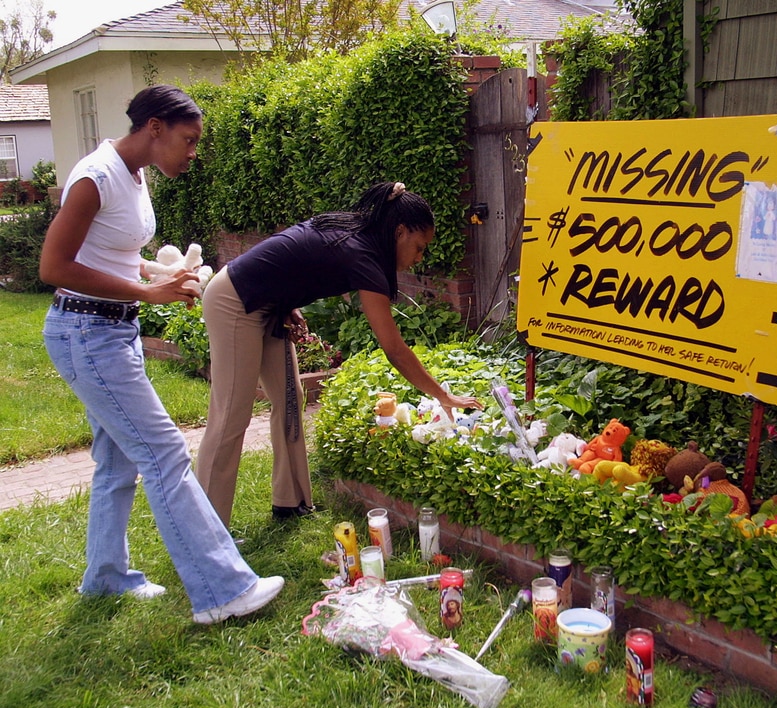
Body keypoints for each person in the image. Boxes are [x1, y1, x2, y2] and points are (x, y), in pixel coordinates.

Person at [39, 84, 284, 625]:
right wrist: (148, 294)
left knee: (117, 462)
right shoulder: (93, 178)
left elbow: (110, 251)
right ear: (154, 128)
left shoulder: (133, 174)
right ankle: (222, 591)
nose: (193, 152)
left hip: (107, 332)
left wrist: (152, 272)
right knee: (165, 453)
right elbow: (54, 267)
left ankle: (107, 578)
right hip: (85, 332)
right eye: (189, 140)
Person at [196, 181, 484, 527]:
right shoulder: (362, 253)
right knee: (231, 415)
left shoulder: (359, 236)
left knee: (290, 397)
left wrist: (285, 299)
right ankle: (206, 536)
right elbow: (393, 348)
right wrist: (443, 395)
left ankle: (291, 501)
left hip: (270, 304)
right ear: (400, 231)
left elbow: (294, 261)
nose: (419, 258)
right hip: (235, 300)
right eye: (419, 247)